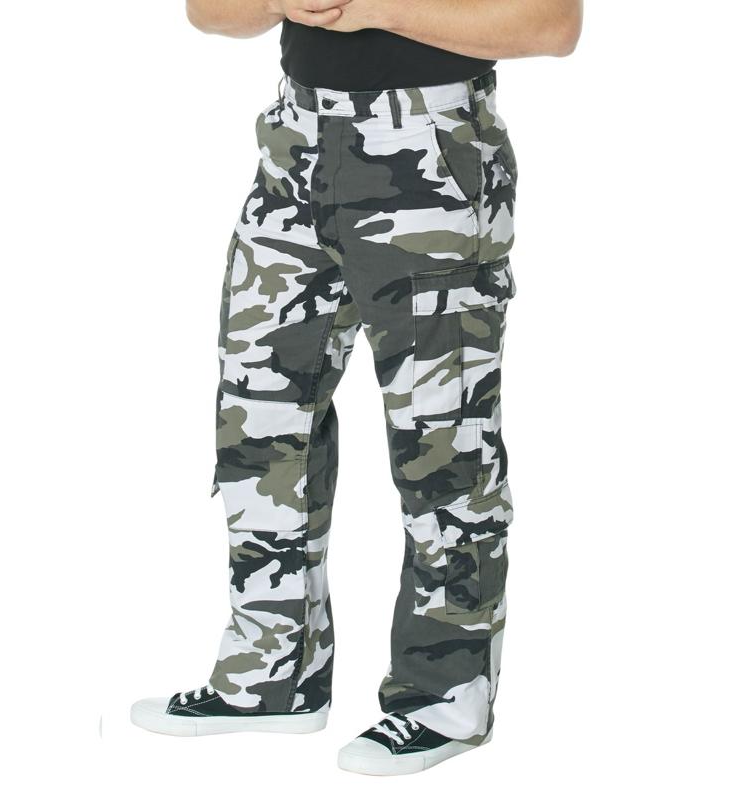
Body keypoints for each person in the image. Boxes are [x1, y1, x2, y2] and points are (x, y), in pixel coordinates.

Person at [131, 0, 582, 776]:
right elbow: (209, 12)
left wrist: (375, 8)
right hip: (296, 145)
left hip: (432, 149)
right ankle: (273, 676)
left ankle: (444, 699)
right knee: (260, 415)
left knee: (442, 439)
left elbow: (551, 25)